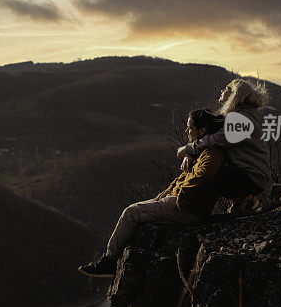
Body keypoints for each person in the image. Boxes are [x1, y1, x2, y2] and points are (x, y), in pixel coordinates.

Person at [78, 109, 225, 278]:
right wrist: (169, 190)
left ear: (202, 131)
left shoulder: (212, 154)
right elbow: (187, 176)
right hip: (184, 203)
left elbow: (204, 176)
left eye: (189, 127)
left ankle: (110, 261)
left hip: (188, 209)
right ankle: (111, 260)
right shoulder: (202, 152)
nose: (186, 131)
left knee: (131, 213)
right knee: (135, 211)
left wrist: (181, 194)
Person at [177, 78, 270, 211]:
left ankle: (246, 199)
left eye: (227, 89)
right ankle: (242, 200)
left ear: (235, 95)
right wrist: (190, 154)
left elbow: (214, 140)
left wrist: (187, 149)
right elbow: (209, 139)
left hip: (252, 177)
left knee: (208, 172)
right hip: (246, 173)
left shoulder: (241, 121)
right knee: (205, 166)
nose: (222, 90)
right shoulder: (236, 116)